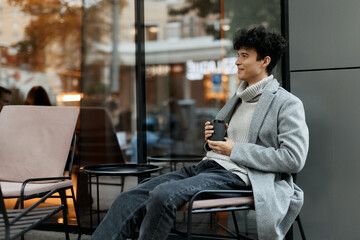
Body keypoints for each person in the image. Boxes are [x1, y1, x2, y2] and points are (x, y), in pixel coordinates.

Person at [90, 26, 309, 240]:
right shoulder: (237, 98)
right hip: (205, 168)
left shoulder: (286, 103)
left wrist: (235, 149)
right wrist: (212, 140)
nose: (237, 61)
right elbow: (227, 143)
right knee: (129, 197)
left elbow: (293, 159)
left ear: (265, 61)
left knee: (163, 195)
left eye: (245, 55)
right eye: (238, 55)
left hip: (237, 176)